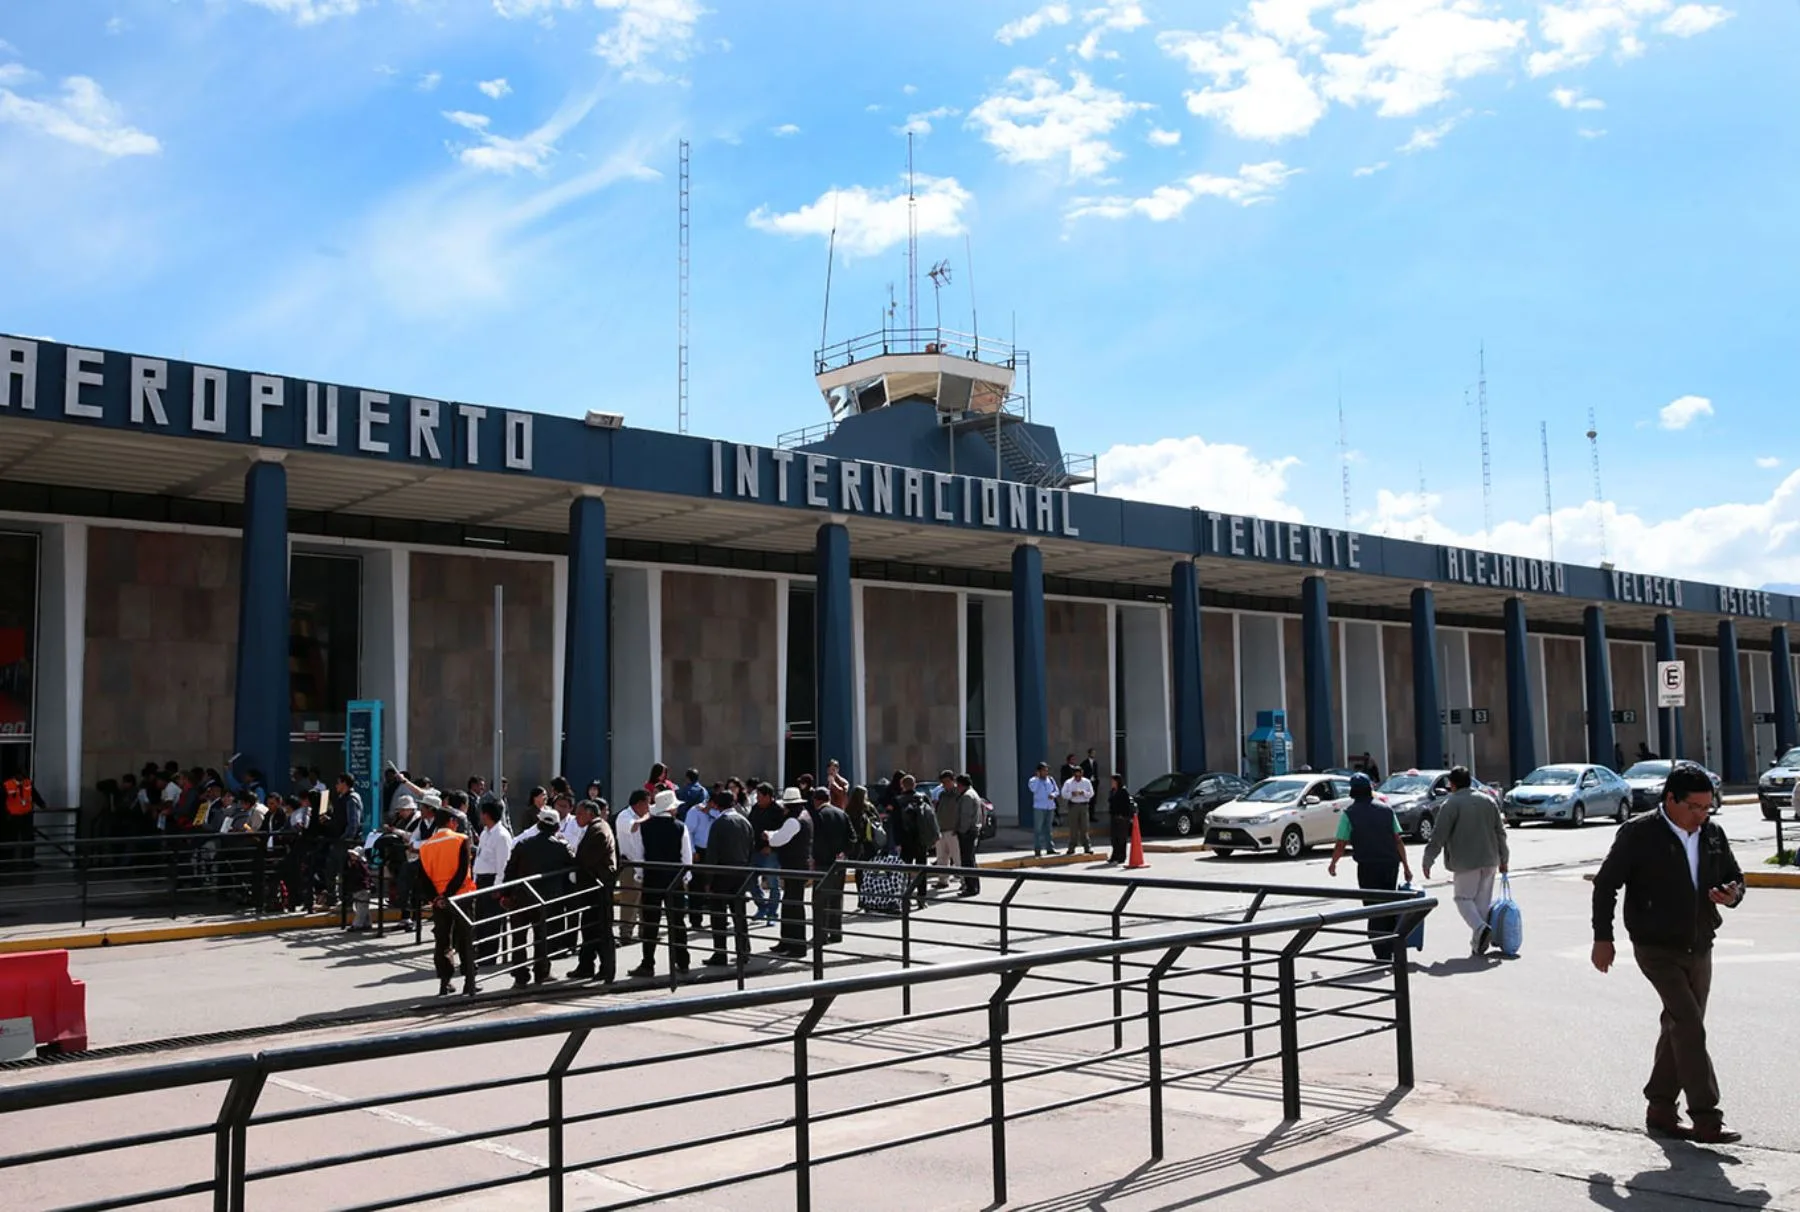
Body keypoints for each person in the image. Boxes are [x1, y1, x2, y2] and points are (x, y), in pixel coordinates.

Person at [1592, 762, 1745, 1143]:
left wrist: (1732, 894)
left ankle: (1660, 1109)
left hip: (1700, 944)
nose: (1701, 815)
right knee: (1689, 1025)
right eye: (1694, 807)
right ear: (1670, 800)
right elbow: (1605, 886)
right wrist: (1603, 938)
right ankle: (1707, 1117)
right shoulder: (1639, 834)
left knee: (1679, 1026)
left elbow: (1736, 878)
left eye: (1707, 807)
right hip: (1655, 946)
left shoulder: (1712, 834)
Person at [1421, 765, 1510, 955]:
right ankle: (1478, 944)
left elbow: (1439, 836)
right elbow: (1500, 832)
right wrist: (1504, 858)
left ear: (1452, 785)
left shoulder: (1451, 804)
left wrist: (1428, 859)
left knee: (1462, 898)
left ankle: (1480, 929)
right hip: (1490, 859)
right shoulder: (1488, 801)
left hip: (1465, 861)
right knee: (1482, 903)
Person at [1326, 772, 1413, 961]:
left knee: (1373, 908)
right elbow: (1397, 840)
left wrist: (1333, 863)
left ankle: (1381, 951)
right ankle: (1391, 946)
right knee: (1389, 905)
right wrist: (1406, 866)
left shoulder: (1349, 814)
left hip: (1368, 866)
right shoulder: (1386, 810)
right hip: (1391, 864)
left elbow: (1341, 843)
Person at [502, 807, 575, 987]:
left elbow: (509, 872)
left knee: (519, 937)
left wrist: (505, 894)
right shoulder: (561, 847)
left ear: (539, 824)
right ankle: (541, 972)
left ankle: (520, 976)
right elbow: (574, 863)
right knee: (542, 936)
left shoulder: (523, 844)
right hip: (547, 900)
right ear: (557, 827)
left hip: (521, 897)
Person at [626, 789, 693, 978]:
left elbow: (638, 854)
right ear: (671, 809)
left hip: (652, 878)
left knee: (650, 923)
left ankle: (648, 963)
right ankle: (683, 961)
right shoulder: (680, 827)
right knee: (678, 922)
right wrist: (685, 877)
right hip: (674, 879)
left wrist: (640, 875)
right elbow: (686, 856)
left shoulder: (644, 826)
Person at [417, 813, 476, 998]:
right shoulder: (461, 840)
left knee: (442, 939)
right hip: (461, 897)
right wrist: (448, 895)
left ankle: (445, 982)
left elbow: (423, 877)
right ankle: (469, 981)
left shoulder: (425, 846)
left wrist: (436, 897)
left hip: (438, 901)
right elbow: (462, 870)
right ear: (451, 822)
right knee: (466, 938)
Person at [700, 787, 755, 968]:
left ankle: (720, 953)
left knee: (719, 916)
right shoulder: (745, 822)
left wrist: (708, 880)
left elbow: (712, 854)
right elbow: (750, 849)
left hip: (722, 874)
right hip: (741, 873)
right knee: (740, 915)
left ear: (717, 805)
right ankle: (744, 950)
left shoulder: (718, 824)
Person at [566, 799, 618, 983]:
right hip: (593, 885)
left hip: (598, 885)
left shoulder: (598, 830)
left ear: (589, 813)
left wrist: (572, 857)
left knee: (600, 928)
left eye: (579, 814)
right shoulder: (596, 827)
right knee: (589, 928)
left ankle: (606, 969)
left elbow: (586, 859)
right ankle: (586, 965)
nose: (577, 817)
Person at [759, 787, 815, 957]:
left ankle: (796, 946)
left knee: (793, 905)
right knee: (791, 903)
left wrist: (768, 835)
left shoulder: (793, 821)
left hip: (794, 865)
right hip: (799, 864)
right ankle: (787, 941)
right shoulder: (804, 816)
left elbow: (778, 840)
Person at [472, 800, 514, 966]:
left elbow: (503, 864)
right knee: (481, 919)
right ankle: (481, 952)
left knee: (491, 921)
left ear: (487, 815)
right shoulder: (485, 833)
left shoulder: (502, 835)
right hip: (481, 880)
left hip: (493, 880)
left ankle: (489, 956)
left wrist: (498, 887)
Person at [811, 786, 852, 941]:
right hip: (839, 863)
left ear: (816, 800)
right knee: (836, 898)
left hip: (822, 863)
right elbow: (852, 837)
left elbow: (816, 840)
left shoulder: (817, 815)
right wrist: (844, 852)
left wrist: (815, 857)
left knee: (820, 900)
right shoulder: (842, 814)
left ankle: (821, 934)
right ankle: (836, 933)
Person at [893, 776, 938, 911]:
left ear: (902, 785)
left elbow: (895, 824)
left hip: (905, 840)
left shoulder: (898, 801)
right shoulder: (923, 798)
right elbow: (931, 818)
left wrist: (897, 841)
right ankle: (921, 898)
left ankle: (905, 898)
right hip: (921, 839)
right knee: (921, 869)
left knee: (904, 870)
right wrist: (934, 836)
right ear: (915, 785)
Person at [614, 789, 650, 946]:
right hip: (629, 864)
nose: (649, 807)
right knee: (630, 899)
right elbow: (633, 827)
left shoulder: (641, 816)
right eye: (647, 804)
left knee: (644, 900)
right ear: (640, 803)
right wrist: (647, 818)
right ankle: (626, 933)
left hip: (643, 862)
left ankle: (644, 931)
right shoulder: (625, 816)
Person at [748, 782, 785, 923]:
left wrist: (772, 847)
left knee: (773, 884)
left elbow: (782, 833)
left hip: (771, 853)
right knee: (751, 881)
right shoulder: (756, 808)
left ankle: (772, 913)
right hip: (755, 851)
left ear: (768, 796)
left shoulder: (778, 811)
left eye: (759, 796)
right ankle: (762, 906)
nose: (757, 798)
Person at [950, 774, 982, 897]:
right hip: (971, 831)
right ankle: (973, 886)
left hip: (967, 832)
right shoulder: (971, 793)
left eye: (958, 785)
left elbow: (965, 817)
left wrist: (961, 831)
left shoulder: (967, 796)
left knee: (967, 861)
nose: (956, 787)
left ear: (962, 784)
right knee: (970, 860)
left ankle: (970, 887)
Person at [931, 770, 961, 889]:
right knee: (941, 858)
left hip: (953, 830)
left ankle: (964, 881)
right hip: (941, 830)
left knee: (957, 858)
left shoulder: (958, 794)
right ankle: (943, 880)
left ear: (953, 781)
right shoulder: (942, 794)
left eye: (947, 781)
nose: (944, 784)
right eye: (943, 782)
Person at [1060, 765, 1096, 856]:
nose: (1078, 778)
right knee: (1073, 828)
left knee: (1084, 827)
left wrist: (1084, 793)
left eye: (1079, 776)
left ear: (1082, 774)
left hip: (1084, 805)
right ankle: (1071, 847)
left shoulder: (1087, 782)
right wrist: (1072, 794)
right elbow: (1063, 794)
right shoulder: (1068, 782)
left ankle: (1087, 847)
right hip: (1073, 806)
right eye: (1076, 776)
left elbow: (1091, 793)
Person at [1027, 763, 1059, 857]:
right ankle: (1038, 849)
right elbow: (1033, 789)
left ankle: (1050, 848)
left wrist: (1053, 795)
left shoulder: (1051, 779)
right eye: (1044, 770)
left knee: (1048, 828)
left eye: (1046, 770)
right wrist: (1037, 778)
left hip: (1050, 807)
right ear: (1039, 771)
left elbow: (1057, 791)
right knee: (1038, 829)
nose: (1046, 772)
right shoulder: (1033, 780)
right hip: (1039, 807)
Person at [1106, 774, 1136, 865]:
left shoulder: (1123, 791)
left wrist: (1125, 816)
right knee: (1114, 838)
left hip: (1122, 817)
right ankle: (1114, 856)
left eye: (1113, 781)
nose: (1112, 783)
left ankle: (1121, 857)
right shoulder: (1112, 791)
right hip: (1114, 816)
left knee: (1121, 838)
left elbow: (1126, 805)